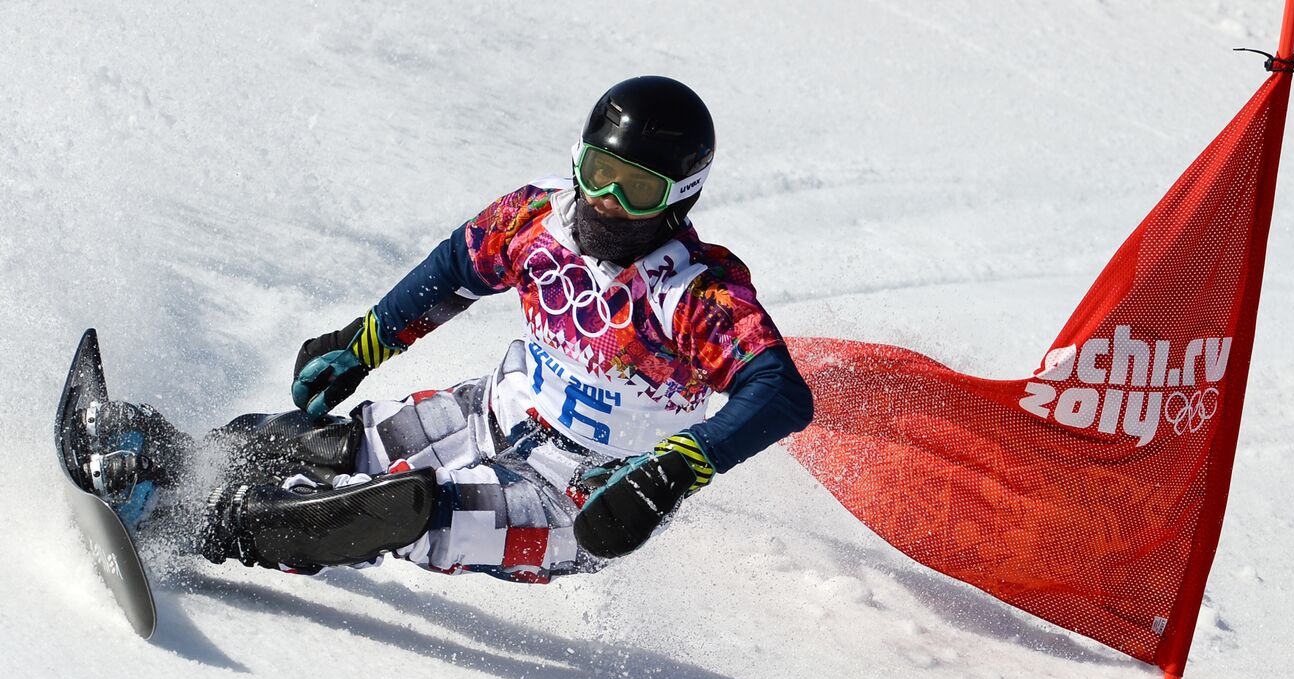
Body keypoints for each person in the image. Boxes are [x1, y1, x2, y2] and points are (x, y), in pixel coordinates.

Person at [84, 75, 813, 582]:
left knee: (402, 510)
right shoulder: (536, 220)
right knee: (335, 446)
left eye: (639, 188)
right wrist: (366, 340)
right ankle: (169, 455)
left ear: (680, 197)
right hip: (492, 412)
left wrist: (674, 468)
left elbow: (779, 392)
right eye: (599, 171)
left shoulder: (697, 292)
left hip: (582, 497)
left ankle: (202, 524)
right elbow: (454, 272)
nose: (610, 201)